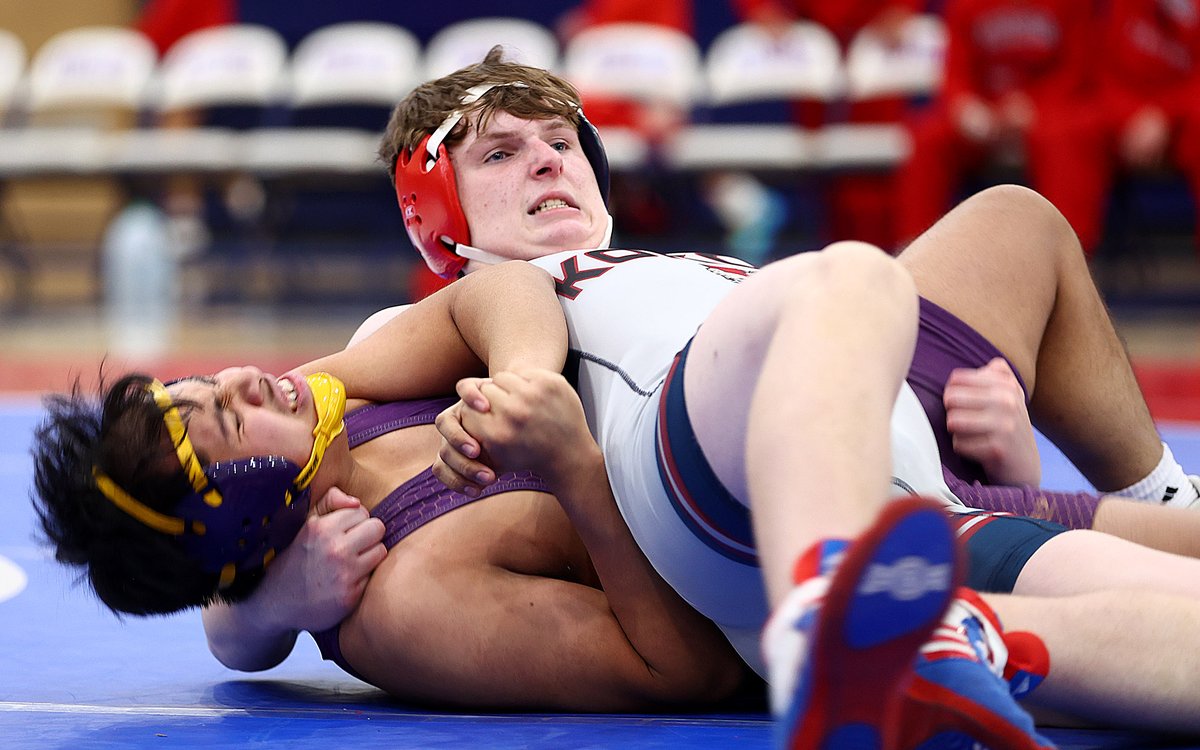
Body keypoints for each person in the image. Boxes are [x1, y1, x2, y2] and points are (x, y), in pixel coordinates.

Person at [30, 48, 1200, 748]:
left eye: (559, 141)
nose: (549, 159)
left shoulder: (437, 344)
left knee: (1007, 224)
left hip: (884, 457)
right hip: (723, 472)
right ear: (438, 223)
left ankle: (964, 628)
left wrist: (980, 461)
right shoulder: (396, 477)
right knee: (842, 280)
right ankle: (843, 615)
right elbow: (224, 590)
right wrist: (268, 601)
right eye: (499, 154)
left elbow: (241, 575)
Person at [893, 0, 1095, 247]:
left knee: (1067, 136)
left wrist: (1035, 106)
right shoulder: (966, 5)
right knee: (927, 136)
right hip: (987, 111)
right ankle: (914, 258)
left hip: (1048, 111)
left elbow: (1078, 70)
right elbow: (955, 70)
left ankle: (1067, 260)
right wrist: (965, 106)